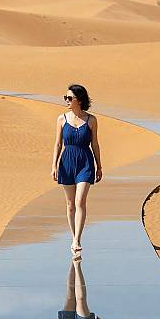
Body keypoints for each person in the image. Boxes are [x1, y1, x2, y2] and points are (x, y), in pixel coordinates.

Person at [51, 84, 103, 259]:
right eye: (65, 97)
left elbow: (95, 144)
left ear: (79, 100)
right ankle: (73, 236)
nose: (66, 101)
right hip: (67, 162)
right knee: (70, 204)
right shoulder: (61, 119)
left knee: (80, 201)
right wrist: (54, 165)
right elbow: (58, 144)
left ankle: (77, 240)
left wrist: (99, 166)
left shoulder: (91, 120)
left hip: (85, 162)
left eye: (69, 98)